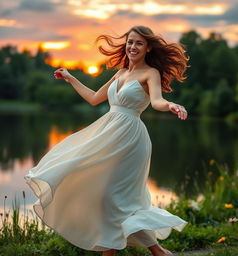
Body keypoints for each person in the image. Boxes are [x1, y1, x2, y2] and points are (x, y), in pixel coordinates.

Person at [25, 25, 189, 256]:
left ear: (148, 47)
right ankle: (158, 252)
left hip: (131, 140)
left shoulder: (150, 73)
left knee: (112, 198)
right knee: (108, 198)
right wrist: (70, 78)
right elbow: (93, 99)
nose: (132, 46)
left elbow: (157, 101)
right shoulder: (120, 73)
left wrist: (171, 105)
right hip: (108, 136)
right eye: (130, 41)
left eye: (139, 43)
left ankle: (137, 251)